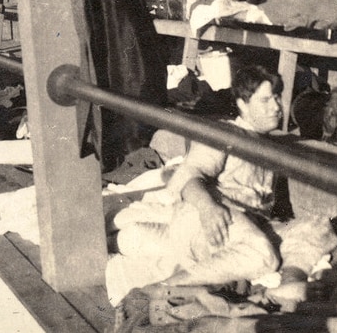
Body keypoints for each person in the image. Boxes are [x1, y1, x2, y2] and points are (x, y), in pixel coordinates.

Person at [107, 65, 289, 301]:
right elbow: (192, 174)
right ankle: (165, 286)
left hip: (228, 225)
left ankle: (131, 243)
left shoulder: (269, 144)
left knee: (136, 238)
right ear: (243, 104)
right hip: (213, 215)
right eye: (265, 100)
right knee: (264, 256)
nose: (276, 107)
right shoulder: (227, 134)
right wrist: (208, 209)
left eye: (276, 98)